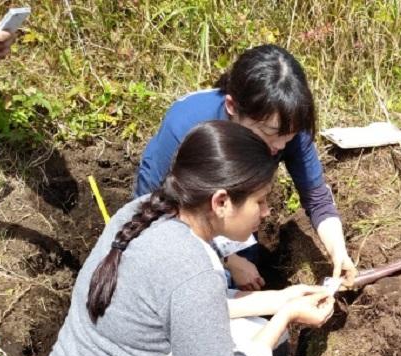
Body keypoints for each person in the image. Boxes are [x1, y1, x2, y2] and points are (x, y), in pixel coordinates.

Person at [37, 121, 335, 356]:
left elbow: (188, 307)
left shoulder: (140, 214)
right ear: (221, 202)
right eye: (260, 201)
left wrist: (282, 298)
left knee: (267, 345)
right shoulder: (194, 269)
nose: (266, 212)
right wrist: (284, 319)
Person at [136, 44, 356, 291]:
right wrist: (227, 261)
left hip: (231, 218)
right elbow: (154, 214)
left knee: (247, 278)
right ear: (232, 107)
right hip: (178, 224)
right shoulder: (186, 127)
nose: (280, 146)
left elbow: (317, 199)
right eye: (269, 134)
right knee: (209, 284)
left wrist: (338, 252)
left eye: (290, 136)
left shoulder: (286, 124)